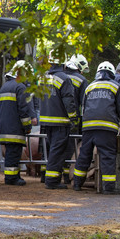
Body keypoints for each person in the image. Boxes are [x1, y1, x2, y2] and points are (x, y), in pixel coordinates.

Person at [72, 61, 120, 195]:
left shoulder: (90, 87)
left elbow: (83, 107)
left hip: (88, 127)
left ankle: (77, 184)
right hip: (106, 128)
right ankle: (108, 188)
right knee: (107, 156)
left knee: (84, 155)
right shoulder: (116, 86)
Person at [39, 52, 78, 189]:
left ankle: (50, 179)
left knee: (51, 150)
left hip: (46, 120)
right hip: (60, 121)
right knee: (57, 151)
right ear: (64, 63)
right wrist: (74, 118)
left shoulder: (43, 78)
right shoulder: (64, 78)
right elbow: (68, 100)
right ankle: (52, 181)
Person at [0, 60, 38, 185]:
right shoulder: (20, 87)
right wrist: (28, 127)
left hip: (4, 127)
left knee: (11, 153)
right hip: (15, 128)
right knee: (14, 154)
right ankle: (11, 178)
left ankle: (14, 176)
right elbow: (24, 111)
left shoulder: (5, 86)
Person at [62, 54, 89, 183]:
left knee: (54, 147)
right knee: (70, 148)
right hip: (73, 121)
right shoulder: (82, 80)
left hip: (55, 118)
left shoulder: (58, 77)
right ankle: (67, 177)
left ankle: (46, 175)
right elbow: (84, 103)